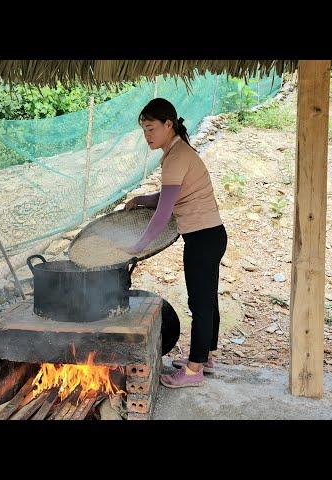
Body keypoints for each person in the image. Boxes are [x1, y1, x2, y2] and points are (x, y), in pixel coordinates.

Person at [123, 98, 227, 388]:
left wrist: (138, 246)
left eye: (152, 128)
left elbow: (163, 214)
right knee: (207, 299)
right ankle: (205, 356)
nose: (147, 135)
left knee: (201, 303)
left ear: (169, 125)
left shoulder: (177, 157)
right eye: (144, 129)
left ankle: (193, 372)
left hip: (203, 238)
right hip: (210, 235)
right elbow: (168, 197)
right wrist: (142, 199)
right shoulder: (176, 152)